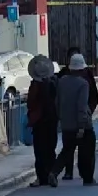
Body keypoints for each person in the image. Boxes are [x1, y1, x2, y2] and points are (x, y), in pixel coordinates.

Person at [53, 53, 98, 186]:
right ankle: (88, 177)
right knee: (87, 150)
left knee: (67, 150)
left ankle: (54, 172)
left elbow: (57, 102)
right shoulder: (83, 84)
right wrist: (82, 126)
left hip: (66, 123)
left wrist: (61, 117)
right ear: (82, 69)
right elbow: (82, 106)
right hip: (81, 124)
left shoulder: (62, 81)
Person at [26, 56, 59, 188]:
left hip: (39, 121)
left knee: (39, 150)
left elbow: (30, 103)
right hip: (52, 119)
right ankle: (51, 173)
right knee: (50, 149)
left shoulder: (35, 85)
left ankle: (42, 177)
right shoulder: (54, 83)